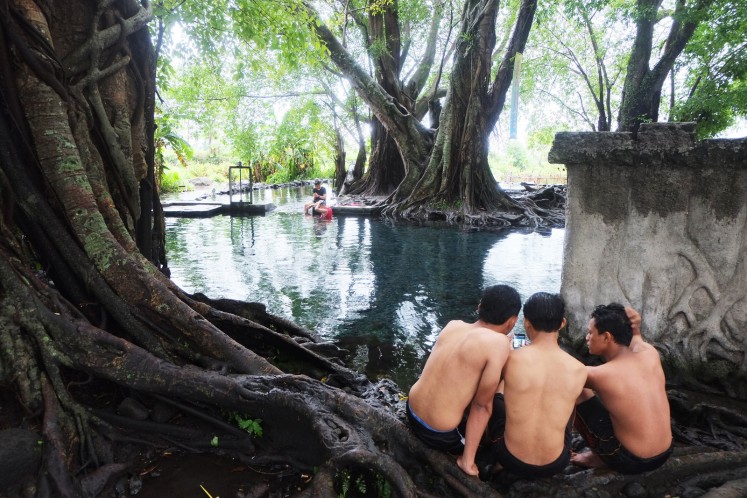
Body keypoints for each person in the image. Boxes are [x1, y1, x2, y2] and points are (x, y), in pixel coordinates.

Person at [406, 285, 521, 476]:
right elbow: (481, 406)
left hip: (411, 411)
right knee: (500, 391)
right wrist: (467, 460)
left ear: (479, 307)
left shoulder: (454, 325)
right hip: (439, 435)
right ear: (512, 321)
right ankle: (483, 462)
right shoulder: (499, 344)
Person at [479, 292, 587, 479]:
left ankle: (495, 462)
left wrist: (506, 349)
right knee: (569, 405)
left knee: (497, 394)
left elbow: (482, 398)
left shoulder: (511, 359)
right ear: (562, 323)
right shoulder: (579, 369)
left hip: (509, 459)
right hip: (556, 464)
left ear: (526, 323)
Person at [572, 304, 673, 474]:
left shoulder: (601, 374)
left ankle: (600, 456)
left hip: (630, 461)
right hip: (665, 453)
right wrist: (634, 326)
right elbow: (636, 337)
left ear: (606, 337)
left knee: (577, 389)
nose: (587, 337)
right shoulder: (649, 353)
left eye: (590, 332)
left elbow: (558, 375)